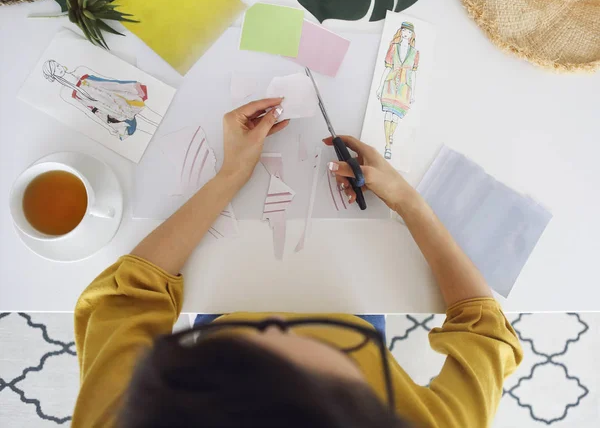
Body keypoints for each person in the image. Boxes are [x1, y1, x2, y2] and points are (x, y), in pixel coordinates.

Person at [72, 98, 523, 427]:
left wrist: (232, 174)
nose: (272, 320)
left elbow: (126, 297)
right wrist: (407, 199)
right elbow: (484, 329)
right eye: (324, 356)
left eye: (241, 350)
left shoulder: (125, 417)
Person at [42, 60, 162, 140]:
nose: (59, 68)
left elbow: (107, 82)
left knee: (152, 116)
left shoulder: (81, 72)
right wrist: (108, 125)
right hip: (109, 112)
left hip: (117, 97)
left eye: (57, 65)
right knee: (144, 133)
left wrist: (128, 86)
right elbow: (89, 111)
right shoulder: (68, 93)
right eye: (55, 69)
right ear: (53, 75)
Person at [377, 22, 419, 160]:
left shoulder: (415, 53)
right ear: (400, 32)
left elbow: (413, 74)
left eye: (408, 32)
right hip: (390, 82)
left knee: (396, 116)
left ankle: (390, 136)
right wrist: (379, 86)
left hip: (405, 86)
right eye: (404, 31)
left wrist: (413, 93)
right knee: (388, 114)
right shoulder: (393, 48)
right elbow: (387, 67)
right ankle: (388, 145)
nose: (405, 34)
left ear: (412, 34)